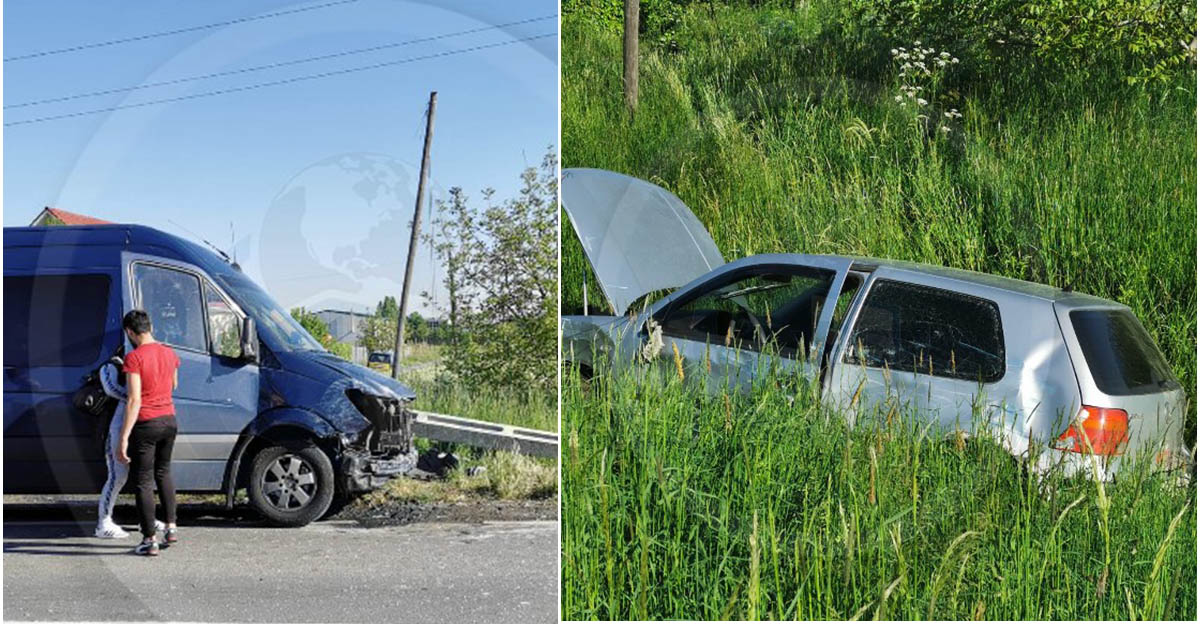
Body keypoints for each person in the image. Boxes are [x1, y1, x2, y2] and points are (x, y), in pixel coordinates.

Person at [114, 309, 181, 556]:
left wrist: (123, 437)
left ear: (130, 332)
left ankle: (149, 539)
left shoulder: (134, 358)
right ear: (149, 327)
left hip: (146, 424)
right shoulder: (170, 353)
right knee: (164, 472)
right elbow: (174, 384)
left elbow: (134, 400)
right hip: (170, 420)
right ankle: (171, 528)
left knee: (143, 481)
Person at [94, 358, 164, 539]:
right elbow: (110, 388)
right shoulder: (111, 365)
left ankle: (146, 518)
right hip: (116, 428)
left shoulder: (139, 364)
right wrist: (136, 396)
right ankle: (103, 522)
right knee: (118, 476)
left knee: (143, 475)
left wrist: (139, 398)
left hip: (139, 426)